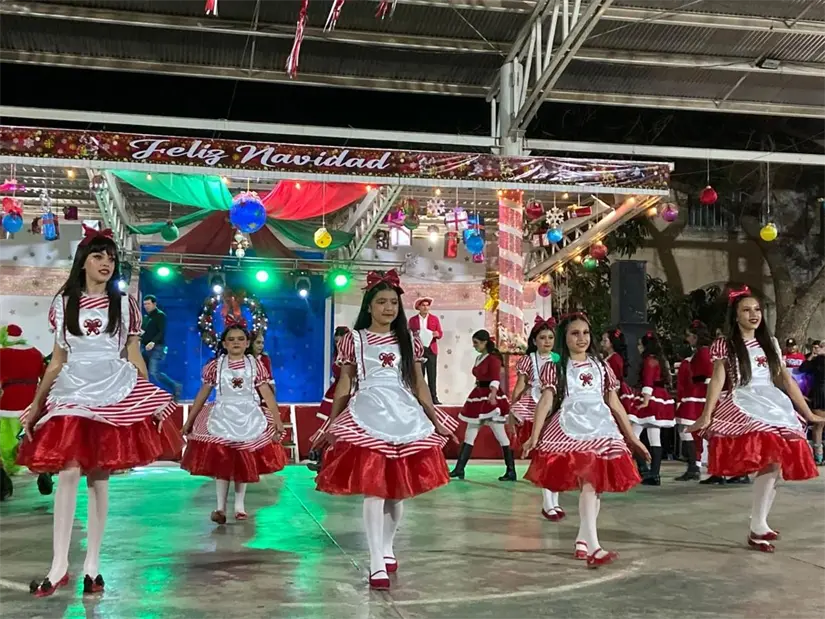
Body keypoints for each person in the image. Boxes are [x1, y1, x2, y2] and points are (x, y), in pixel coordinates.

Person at [16, 226, 180, 597]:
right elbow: (57, 360)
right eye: (98, 256)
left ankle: (93, 566)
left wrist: (146, 398)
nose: (106, 263)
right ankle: (58, 567)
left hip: (113, 387)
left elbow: (134, 355)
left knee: (99, 476)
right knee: (69, 472)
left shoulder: (125, 305)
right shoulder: (63, 303)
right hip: (73, 387)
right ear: (83, 262)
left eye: (111, 258)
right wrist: (37, 405)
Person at [312, 270, 457, 591]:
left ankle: (388, 546)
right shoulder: (354, 338)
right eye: (381, 302)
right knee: (374, 488)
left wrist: (435, 418)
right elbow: (345, 381)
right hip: (368, 412)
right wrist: (331, 422)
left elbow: (418, 381)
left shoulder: (410, 339)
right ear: (369, 306)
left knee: (397, 491)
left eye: (393, 302)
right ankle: (376, 558)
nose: (388, 307)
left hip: (404, 413)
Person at [689, 287, 823, 552]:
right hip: (744, 399)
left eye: (757, 309)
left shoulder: (770, 342)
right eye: (746, 310)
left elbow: (784, 377)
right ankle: (759, 524)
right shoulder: (724, 344)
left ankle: (758, 524)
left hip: (773, 402)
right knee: (771, 456)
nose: (754, 315)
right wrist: (707, 413)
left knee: (776, 463)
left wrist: (807, 413)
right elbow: (718, 380)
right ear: (735, 316)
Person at [523, 312, 649, 568]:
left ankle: (583, 539)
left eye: (585, 333)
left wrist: (632, 438)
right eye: (574, 333)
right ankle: (594, 547)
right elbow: (546, 401)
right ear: (564, 338)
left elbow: (614, 402)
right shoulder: (555, 367)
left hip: (601, 426)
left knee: (596, 486)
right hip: (572, 425)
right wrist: (534, 436)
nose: (581, 338)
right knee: (591, 483)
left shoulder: (601, 366)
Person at [182, 323, 286, 524]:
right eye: (231, 339)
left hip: (248, 415)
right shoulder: (216, 366)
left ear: (247, 343)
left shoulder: (255, 365)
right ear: (224, 343)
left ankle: (239, 505)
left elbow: (266, 392)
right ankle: (220, 507)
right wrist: (190, 419)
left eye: (240, 339)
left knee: (243, 461)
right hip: (222, 415)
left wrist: (277, 417)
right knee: (223, 462)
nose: (236, 343)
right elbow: (203, 393)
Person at [510, 316, 561, 518]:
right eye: (542, 337)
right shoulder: (528, 359)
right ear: (534, 340)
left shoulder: (559, 359)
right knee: (543, 455)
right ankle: (548, 502)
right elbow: (520, 385)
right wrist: (513, 409)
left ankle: (553, 501)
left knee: (555, 456)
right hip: (535, 407)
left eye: (550, 337)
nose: (547, 341)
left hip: (556, 407)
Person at [450, 330, 514, 481]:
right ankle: (459, 469)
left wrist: (492, 394)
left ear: (485, 342)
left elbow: (495, 378)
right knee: (470, 434)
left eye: (476, 343)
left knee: (501, 436)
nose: (474, 346)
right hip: (478, 397)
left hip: (489, 398)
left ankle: (511, 470)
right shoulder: (479, 357)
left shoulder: (493, 359)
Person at [629, 331, 675, 486]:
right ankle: (653, 473)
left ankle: (644, 470)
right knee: (654, 438)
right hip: (660, 398)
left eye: (640, 345)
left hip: (651, 399)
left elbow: (648, 382)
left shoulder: (649, 360)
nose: (638, 347)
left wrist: (646, 401)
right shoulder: (661, 360)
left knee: (633, 436)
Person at [307, 326, 351, 473]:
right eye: (337, 343)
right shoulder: (337, 356)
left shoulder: (353, 355)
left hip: (349, 393)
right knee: (329, 424)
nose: (339, 346)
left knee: (336, 427)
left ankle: (326, 459)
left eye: (341, 342)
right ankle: (322, 458)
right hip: (336, 392)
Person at [674, 320, 713, 481]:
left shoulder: (703, 352)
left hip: (698, 395)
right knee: (693, 431)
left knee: (689, 430)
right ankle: (694, 465)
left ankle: (694, 466)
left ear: (696, 337)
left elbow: (710, 375)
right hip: (698, 393)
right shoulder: (702, 352)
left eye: (689, 336)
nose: (687, 339)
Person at [141, 295, 182, 400]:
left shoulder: (160, 316)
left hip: (157, 347)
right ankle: (146, 395)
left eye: (148, 304)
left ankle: (175, 386)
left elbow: (161, 331)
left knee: (154, 372)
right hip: (144, 348)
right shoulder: (146, 317)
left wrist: (153, 342)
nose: (146, 306)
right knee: (142, 371)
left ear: (154, 304)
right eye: (144, 304)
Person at [408, 297, 443, 404]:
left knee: (432, 374)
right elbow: (408, 333)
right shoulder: (413, 320)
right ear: (418, 307)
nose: (425, 307)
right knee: (419, 375)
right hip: (419, 350)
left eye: (427, 305)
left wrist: (437, 334)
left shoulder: (434, 319)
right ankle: (420, 397)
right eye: (423, 305)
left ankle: (434, 397)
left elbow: (440, 333)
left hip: (431, 349)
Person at [799, 345, 825, 465]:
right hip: (820, 393)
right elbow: (802, 368)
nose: (820, 348)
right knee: (819, 424)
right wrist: (812, 355)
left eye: (822, 346)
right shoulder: (817, 360)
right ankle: (818, 455)